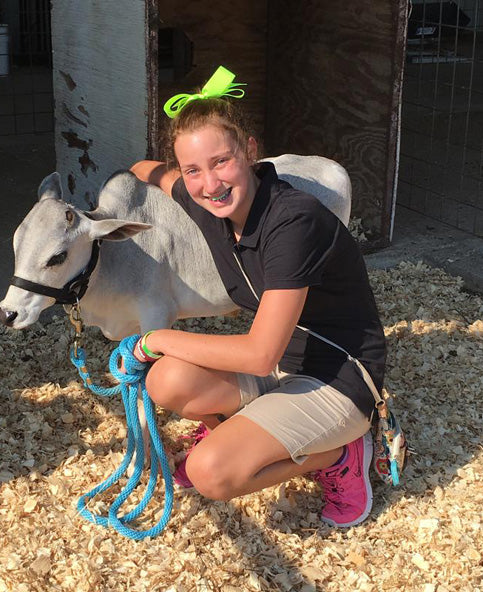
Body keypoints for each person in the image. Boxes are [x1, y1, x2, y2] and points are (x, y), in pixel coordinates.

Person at [129, 66, 386, 528]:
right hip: (282, 366)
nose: (209, 183)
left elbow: (257, 352)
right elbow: (149, 171)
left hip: (337, 378)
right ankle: (245, 433)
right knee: (166, 381)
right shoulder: (209, 202)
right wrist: (131, 175)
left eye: (221, 161)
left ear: (250, 151)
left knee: (211, 472)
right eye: (194, 169)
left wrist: (156, 337)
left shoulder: (292, 222)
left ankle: (337, 453)